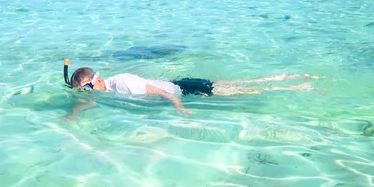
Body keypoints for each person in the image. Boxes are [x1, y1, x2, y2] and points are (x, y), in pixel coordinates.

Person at [64, 67, 317, 120]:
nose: (87, 93)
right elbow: (89, 104)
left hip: (183, 89)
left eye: (86, 88)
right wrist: (74, 112)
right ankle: (286, 76)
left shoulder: (123, 84)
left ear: (96, 81)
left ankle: (294, 85)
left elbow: (158, 91)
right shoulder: (108, 88)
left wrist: (178, 106)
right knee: (239, 83)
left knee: (241, 91)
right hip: (180, 83)